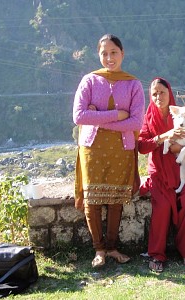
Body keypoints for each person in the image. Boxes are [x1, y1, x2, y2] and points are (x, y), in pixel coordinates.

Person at [72, 34, 145, 268]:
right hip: (92, 149)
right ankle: (99, 250)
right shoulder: (90, 81)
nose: (109, 57)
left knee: (116, 200)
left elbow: (135, 123)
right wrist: (116, 115)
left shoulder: (133, 84)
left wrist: (97, 117)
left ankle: (112, 247)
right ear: (98, 55)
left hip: (122, 149)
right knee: (91, 200)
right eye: (104, 53)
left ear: (122, 54)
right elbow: (79, 116)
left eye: (114, 52)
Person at [138, 77, 185, 272]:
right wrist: (164, 137)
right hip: (160, 173)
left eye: (162, 92)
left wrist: (179, 147)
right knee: (161, 207)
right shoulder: (149, 117)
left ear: (170, 92)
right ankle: (157, 254)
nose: (158, 96)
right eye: (154, 93)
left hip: (184, 170)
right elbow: (142, 146)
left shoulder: (182, 113)